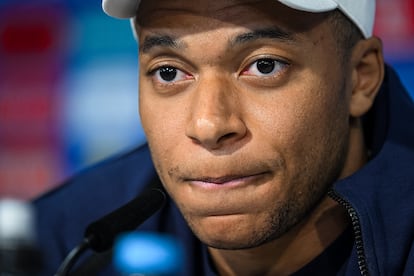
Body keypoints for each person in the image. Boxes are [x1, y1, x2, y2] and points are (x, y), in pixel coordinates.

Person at [33, 0, 414, 275]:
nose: (209, 126)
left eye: (264, 66)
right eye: (168, 72)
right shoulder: (63, 242)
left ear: (361, 78)